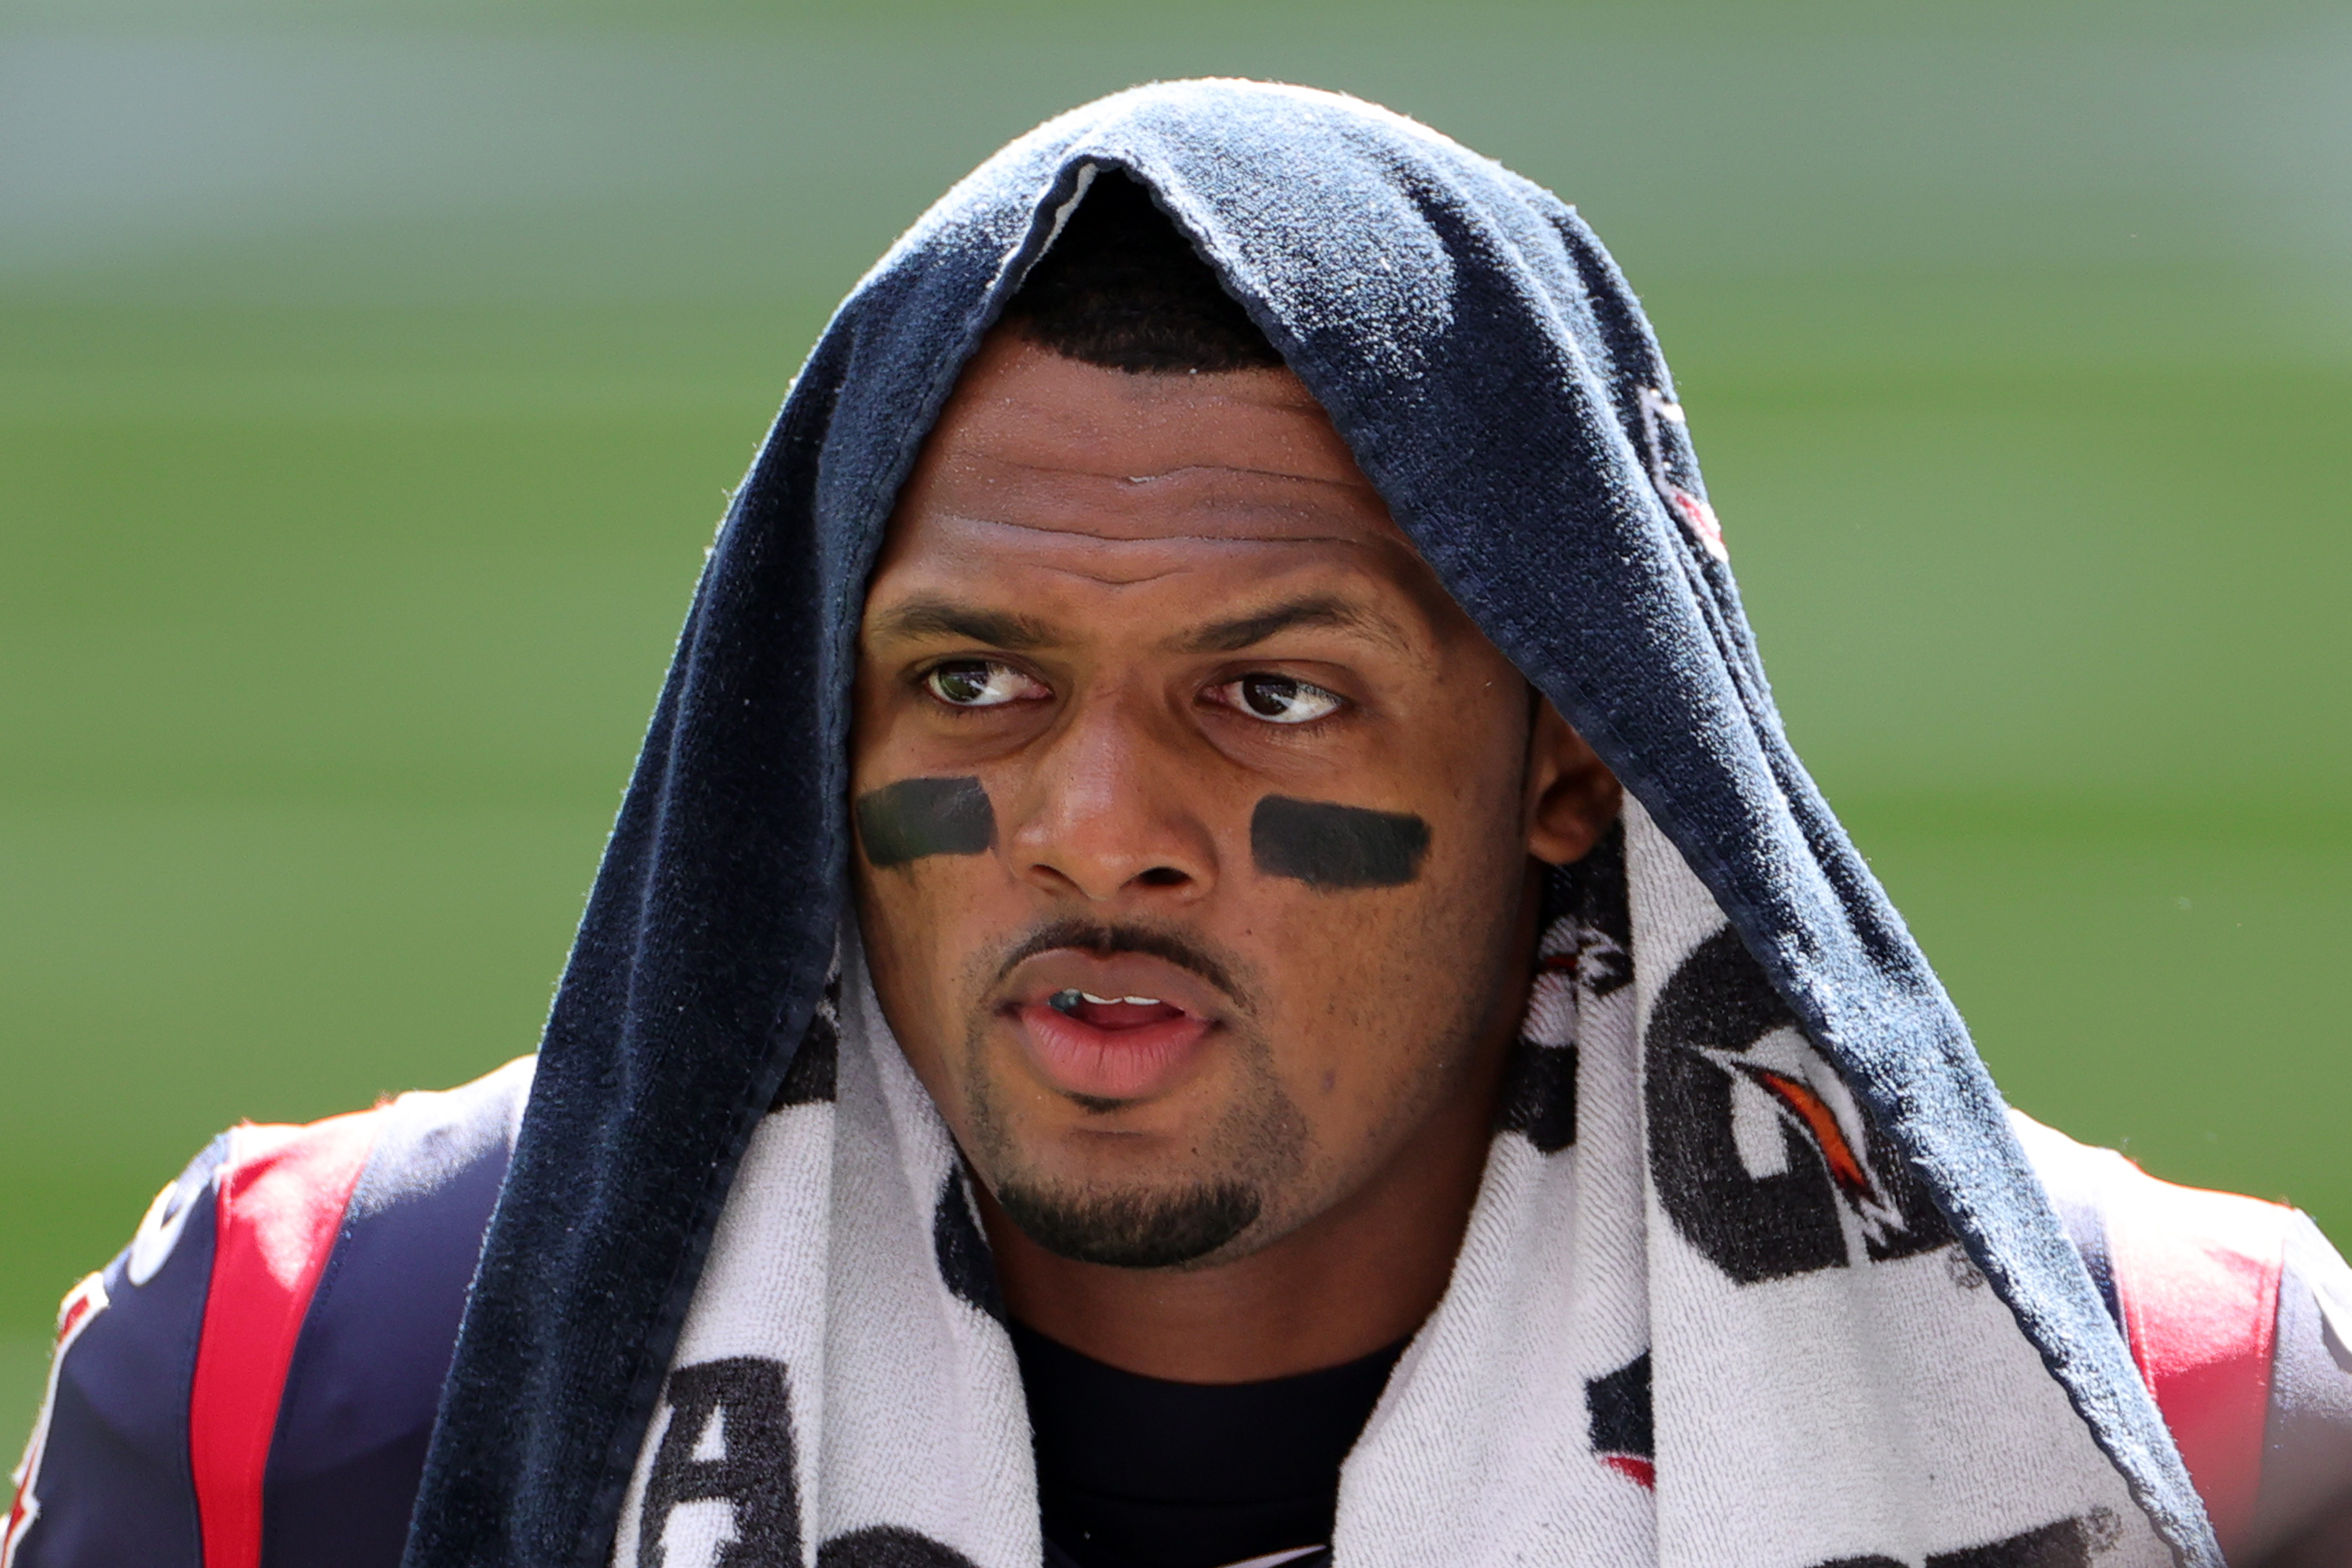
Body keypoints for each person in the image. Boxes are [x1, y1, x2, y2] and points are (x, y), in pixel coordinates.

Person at [6, 82, 2348, 1568]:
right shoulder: (313, 1375)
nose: (1097, 828)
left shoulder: (2183, 1424)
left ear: (1568, 753)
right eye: (978, 683)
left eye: (1272, 693)